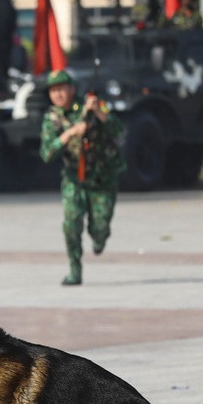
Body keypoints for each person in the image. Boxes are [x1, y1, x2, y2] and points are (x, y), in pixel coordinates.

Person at [39, 70, 125, 286]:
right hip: (74, 178)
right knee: (71, 223)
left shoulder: (92, 104)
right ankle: (75, 269)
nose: (58, 94)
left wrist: (98, 113)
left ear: (72, 89)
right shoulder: (52, 118)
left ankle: (99, 235)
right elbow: (47, 153)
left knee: (100, 227)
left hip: (102, 177)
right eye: (53, 90)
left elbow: (118, 129)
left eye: (61, 89)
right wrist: (68, 135)